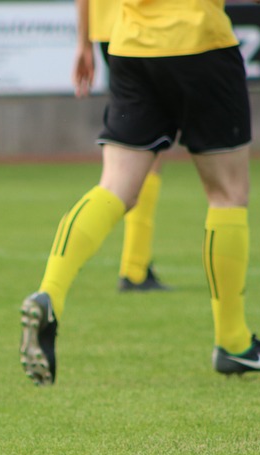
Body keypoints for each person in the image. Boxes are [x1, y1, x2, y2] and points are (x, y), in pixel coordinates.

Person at [19, 0, 260, 386]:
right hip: (198, 40)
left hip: (130, 44)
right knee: (227, 194)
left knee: (115, 186)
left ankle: (50, 293)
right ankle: (233, 343)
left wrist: (84, 41)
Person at [73, 0, 170, 292]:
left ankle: (136, 264)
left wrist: (84, 44)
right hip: (145, 28)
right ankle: (134, 267)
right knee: (144, 154)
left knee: (142, 151)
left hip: (108, 30)